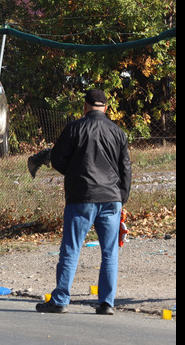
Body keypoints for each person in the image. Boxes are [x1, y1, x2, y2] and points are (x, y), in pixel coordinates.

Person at [35, 89, 131, 315]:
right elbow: (125, 168)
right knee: (109, 252)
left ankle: (60, 300)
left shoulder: (74, 128)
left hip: (81, 197)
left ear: (85, 106)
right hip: (111, 199)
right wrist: (121, 197)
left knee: (71, 248)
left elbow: (58, 160)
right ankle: (107, 303)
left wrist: (76, 172)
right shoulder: (118, 133)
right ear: (106, 108)